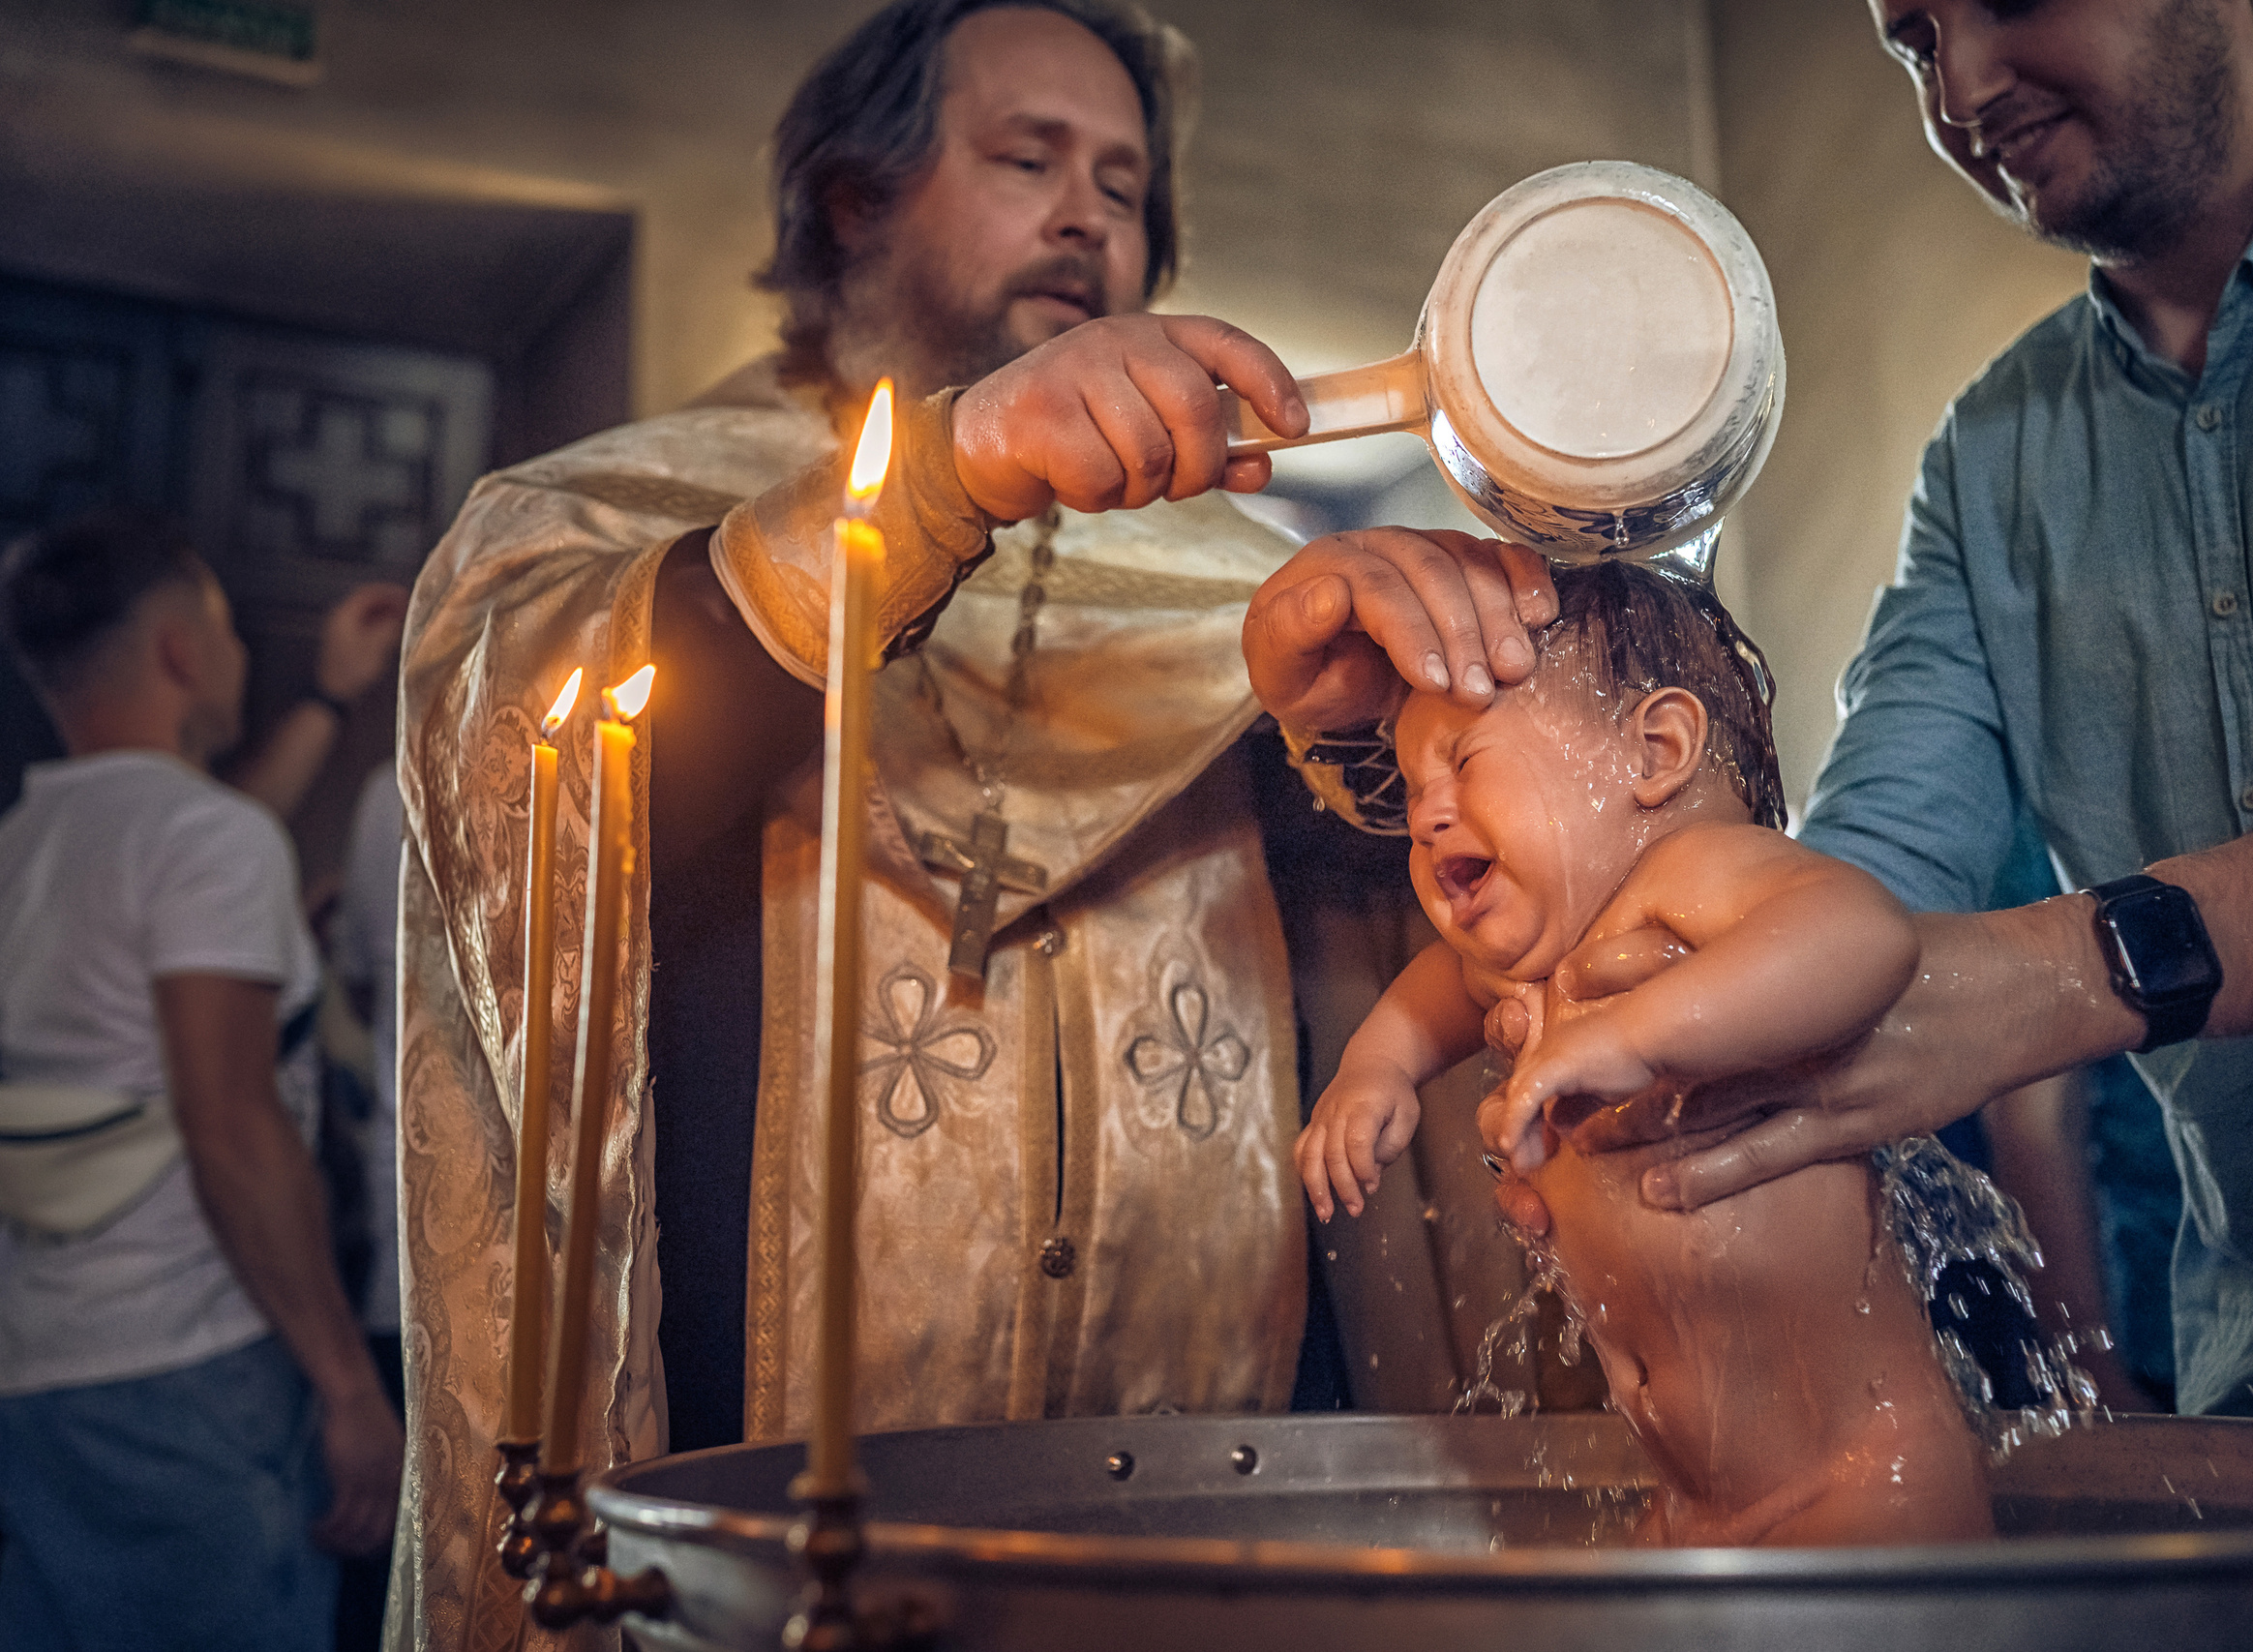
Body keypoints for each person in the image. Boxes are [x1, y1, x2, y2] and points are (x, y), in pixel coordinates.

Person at [1244, 0, 2253, 1430]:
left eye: (2006, 1)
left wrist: (2071, 968)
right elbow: (1847, 876)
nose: (1963, 87)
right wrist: (1625, 1002)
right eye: (1913, 40)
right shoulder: (1995, 460)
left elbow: (1881, 938)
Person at [391, 2, 1345, 1641]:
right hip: (744, 1523)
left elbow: (1393, 941)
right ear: (857, 199)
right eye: (1026, 159)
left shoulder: (1243, 591)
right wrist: (947, 473)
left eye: (1124, 186)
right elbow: (531, 789)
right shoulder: (609, 513)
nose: (1087, 216)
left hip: (1195, 1517)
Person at [1296, 561, 1989, 1546]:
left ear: (1655, 751)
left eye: (1462, 761)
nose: (1423, 812)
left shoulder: (1695, 875)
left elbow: (1863, 935)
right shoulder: (1547, 952)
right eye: (1413, 785)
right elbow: (1437, 992)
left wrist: (1635, 1036)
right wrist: (1375, 1071)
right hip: (1692, 1502)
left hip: (1861, 1485)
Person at [0, 509, 403, 1651]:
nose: (236, 658)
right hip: (191, 1363)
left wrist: (328, 695)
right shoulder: (208, 844)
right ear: (183, 650)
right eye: (223, 630)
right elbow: (229, 1126)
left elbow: (199, 839)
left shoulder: (28, 843)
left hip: (38, 1361)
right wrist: (344, 1383)